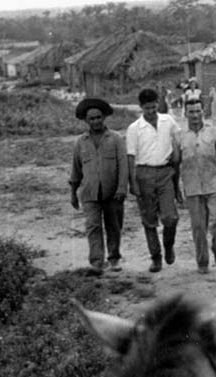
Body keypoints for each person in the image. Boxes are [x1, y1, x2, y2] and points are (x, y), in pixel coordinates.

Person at [178, 98, 216, 274]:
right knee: (198, 227)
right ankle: (202, 262)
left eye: (198, 111)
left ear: (203, 112)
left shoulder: (215, 132)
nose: (195, 115)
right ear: (186, 114)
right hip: (192, 186)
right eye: (191, 112)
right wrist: (176, 189)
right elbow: (175, 163)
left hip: (215, 184)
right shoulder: (179, 136)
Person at [69, 98, 128, 274]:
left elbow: (123, 166)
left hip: (113, 193)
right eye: (92, 118)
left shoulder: (116, 139)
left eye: (98, 117)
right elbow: (76, 170)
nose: (96, 121)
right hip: (89, 194)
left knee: (114, 226)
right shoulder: (81, 142)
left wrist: (121, 188)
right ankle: (96, 262)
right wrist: (73, 193)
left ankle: (114, 258)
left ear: (104, 118)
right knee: (93, 226)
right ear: (86, 121)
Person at [126, 88, 182, 273]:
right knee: (149, 220)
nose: (151, 111)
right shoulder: (135, 128)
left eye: (153, 106)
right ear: (141, 107)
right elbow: (131, 157)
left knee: (170, 217)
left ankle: (168, 246)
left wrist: (176, 156)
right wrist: (133, 182)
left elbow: (178, 140)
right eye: (147, 108)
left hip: (166, 172)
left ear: (158, 103)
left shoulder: (168, 121)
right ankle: (156, 257)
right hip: (144, 174)